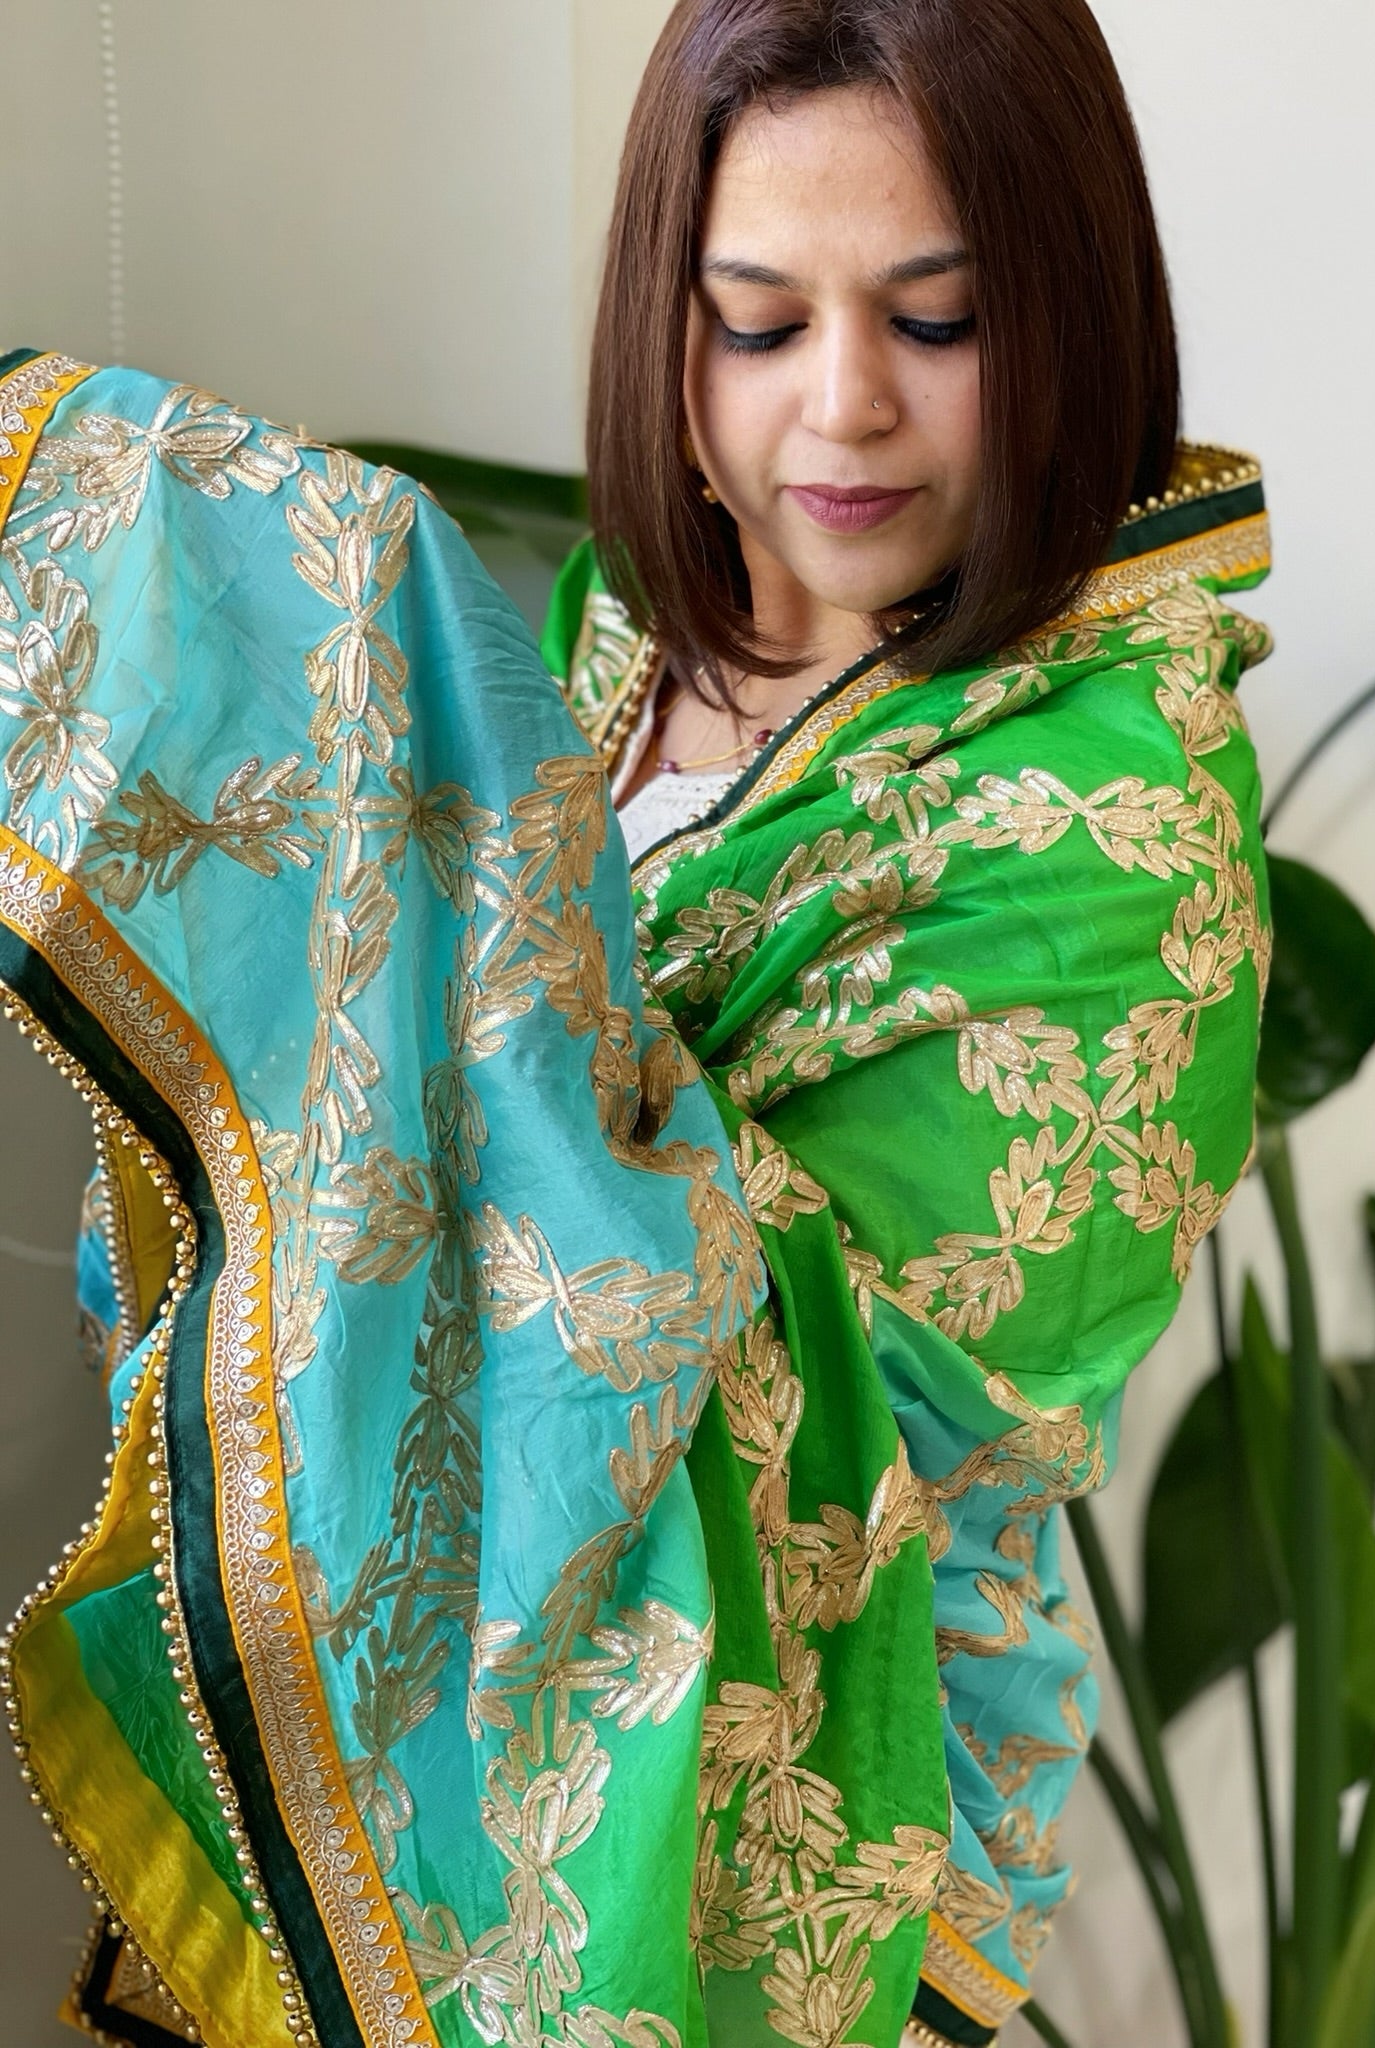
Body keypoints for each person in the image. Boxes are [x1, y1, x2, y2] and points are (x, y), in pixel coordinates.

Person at [0, 3, 1269, 2046]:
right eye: (757, 321)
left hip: (837, 1819)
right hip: (451, 1705)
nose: (840, 412)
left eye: (934, 321)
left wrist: (389, 832)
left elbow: (787, 1366)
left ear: (1071, 312)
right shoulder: (645, 627)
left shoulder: (1118, 817)